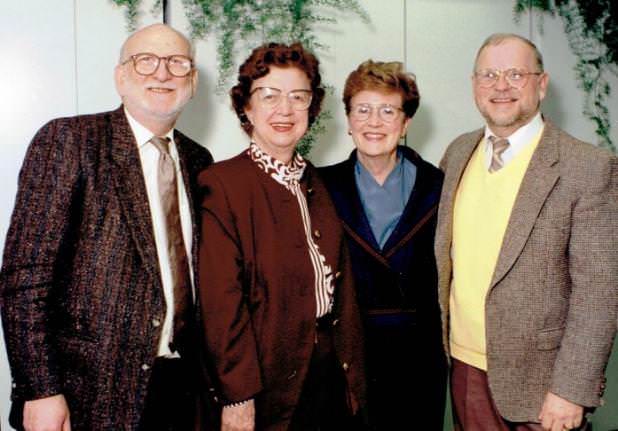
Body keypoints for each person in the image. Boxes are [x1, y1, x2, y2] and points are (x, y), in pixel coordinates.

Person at [0, 24, 213, 430]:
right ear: (121, 76)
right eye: (145, 61)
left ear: (193, 81)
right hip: (87, 395)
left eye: (177, 63)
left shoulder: (200, 160)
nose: (162, 73)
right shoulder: (70, 141)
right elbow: (25, 280)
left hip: (180, 390)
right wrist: (40, 390)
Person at [435, 33, 617, 431]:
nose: (501, 86)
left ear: (542, 83)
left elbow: (599, 293)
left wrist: (571, 390)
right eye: (489, 74)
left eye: (516, 73)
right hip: (466, 370)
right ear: (474, 85)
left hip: (544, 387)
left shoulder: (588, 167)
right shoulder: (457, 153)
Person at [197, 42, 366, 430]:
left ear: (312, 107)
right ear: (246, 107)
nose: (284, 110)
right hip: (265, 381)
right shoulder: (222, 184)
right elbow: (221, 304)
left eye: (298, 97)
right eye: (269, 96)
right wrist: (237, 396)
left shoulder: (317, 183)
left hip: (329, 373)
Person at [320, 60, 446, 429]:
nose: (374, 122)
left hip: (419, 356)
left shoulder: (439, 187)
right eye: (363, 110)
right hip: (347, 352)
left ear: (406, 123)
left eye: (387, 110)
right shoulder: (322, 187)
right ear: (348, 120)